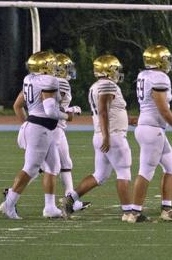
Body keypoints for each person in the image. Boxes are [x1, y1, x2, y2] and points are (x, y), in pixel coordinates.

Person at [62, 54, 133, 219]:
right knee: (123, 173)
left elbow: (111, 111)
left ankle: (71, 198)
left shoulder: (96, 85)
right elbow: (102, 111)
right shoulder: (108, 85)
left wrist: (128, 120)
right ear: (108, 70)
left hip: (102, 135)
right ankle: (129, 211)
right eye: (116, 69)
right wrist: (107, 136)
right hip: (112, 136)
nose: (118, 72)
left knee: (99, 175)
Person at [0, 50, 67, 220]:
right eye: (51, 64)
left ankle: (50, 207)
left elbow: (20, 104)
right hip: (40, 128)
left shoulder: (29, 78)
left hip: (40, 127)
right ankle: (9, 204)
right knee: (30, 168)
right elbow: (51, 111)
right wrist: (68, 115)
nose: (55, 67)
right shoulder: (48, 80)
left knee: (53, 167)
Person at [130, 44, 172, 223]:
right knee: (146, 171)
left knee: (171, 166)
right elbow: (163, 110)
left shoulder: (144, 75)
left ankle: (166, 209)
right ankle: (134, 212)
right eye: (165, 59)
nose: (168, 62)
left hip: (149, 128)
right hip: (152, 129)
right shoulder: (159, 77)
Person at [37, 52, 82, 218]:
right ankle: (12, 194)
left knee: (61, 164)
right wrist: (71, 110)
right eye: (67, 68)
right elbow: (54, 108)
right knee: (47, 167)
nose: (70, 71)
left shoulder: (54, 81)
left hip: (55, 128)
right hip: (55, 129)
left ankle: (71, 199)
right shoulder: (61, 83)